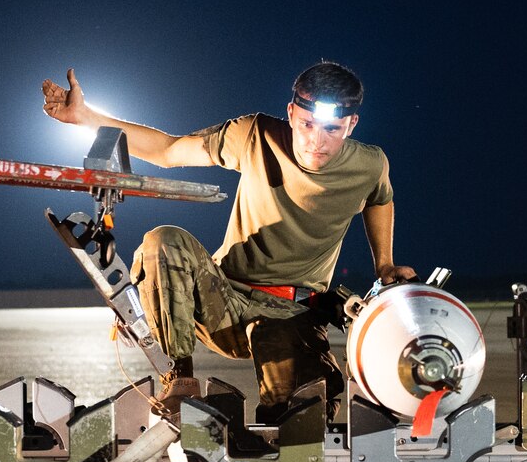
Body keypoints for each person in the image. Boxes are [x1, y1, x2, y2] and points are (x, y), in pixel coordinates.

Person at [40, 61, 415, 422]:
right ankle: (180, 380)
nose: (316, 141)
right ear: (290, 112)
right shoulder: (254, 134)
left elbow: (380, 198)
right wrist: (87, 117)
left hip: (293, 314)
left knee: (299, 420)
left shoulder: (370, 164)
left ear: (351, 124)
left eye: (332, 129)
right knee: (163, 242)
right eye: (306, 125)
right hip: (223, 299)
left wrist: (385, 264)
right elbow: (169, 151)